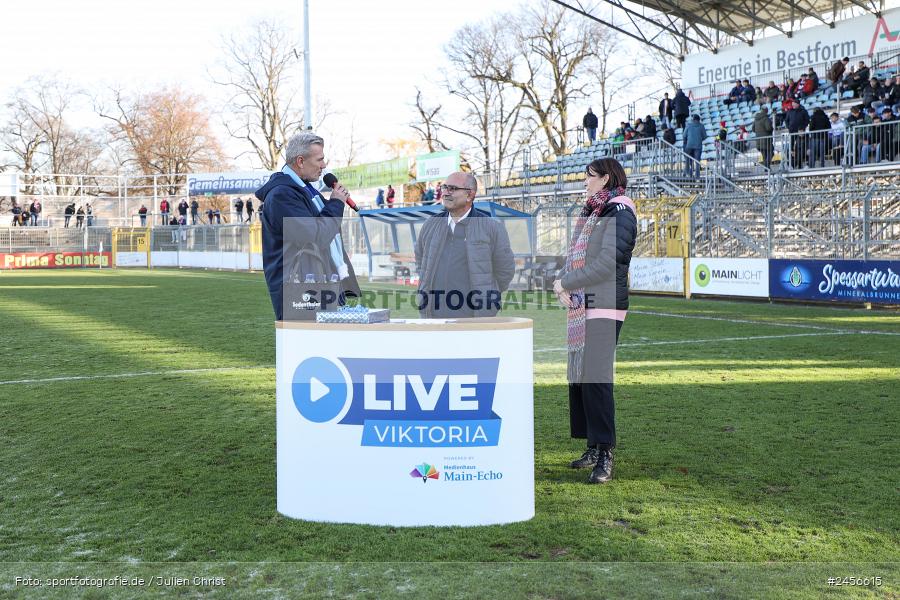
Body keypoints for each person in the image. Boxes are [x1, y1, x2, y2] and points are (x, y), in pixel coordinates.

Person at [552, 157, 637, 484]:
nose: (584, 182)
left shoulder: (620, 211)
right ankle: (592, 444)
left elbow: (606, 263)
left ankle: (606, 452)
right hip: (584, 303)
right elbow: (576, 256)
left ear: (604, 179)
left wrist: (567, 283)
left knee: (597, 378)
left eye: (589, 177)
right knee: (582, 377)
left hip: (604, 303)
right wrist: (560, 281)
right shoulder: (594, 211)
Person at [256, 131, 360, 320]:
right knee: (310, 349)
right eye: (319, 159)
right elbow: (315, 238)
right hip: (299, 294)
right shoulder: (282, 195)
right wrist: (336, 203)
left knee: (330, 348)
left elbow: (324, 232)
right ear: (301, 161)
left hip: (320, 287)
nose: (324, 165)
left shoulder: (307, 191)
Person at [414, 171, 514, 318]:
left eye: (452, 188)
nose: (446, 193)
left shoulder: (491, 227)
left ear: (469, 195)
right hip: (433, 317)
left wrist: (488, 296)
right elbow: (420, 261)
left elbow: (505, 271)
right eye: (444, 187)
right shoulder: (431, 224)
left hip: (474, 319)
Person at [786, 100, 810, 169]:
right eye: (792, 103)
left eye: (794, 103)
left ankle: (803, 164)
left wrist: (803, 127)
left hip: (800, 132)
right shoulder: (790, 111)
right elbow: (786, 120)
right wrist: (789, 127)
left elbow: (807, 120)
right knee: (791, 148)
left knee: (801, 147)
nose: (792, 105)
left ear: (798, 104)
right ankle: (791, 164)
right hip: (792, 132)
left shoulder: (803, 111)